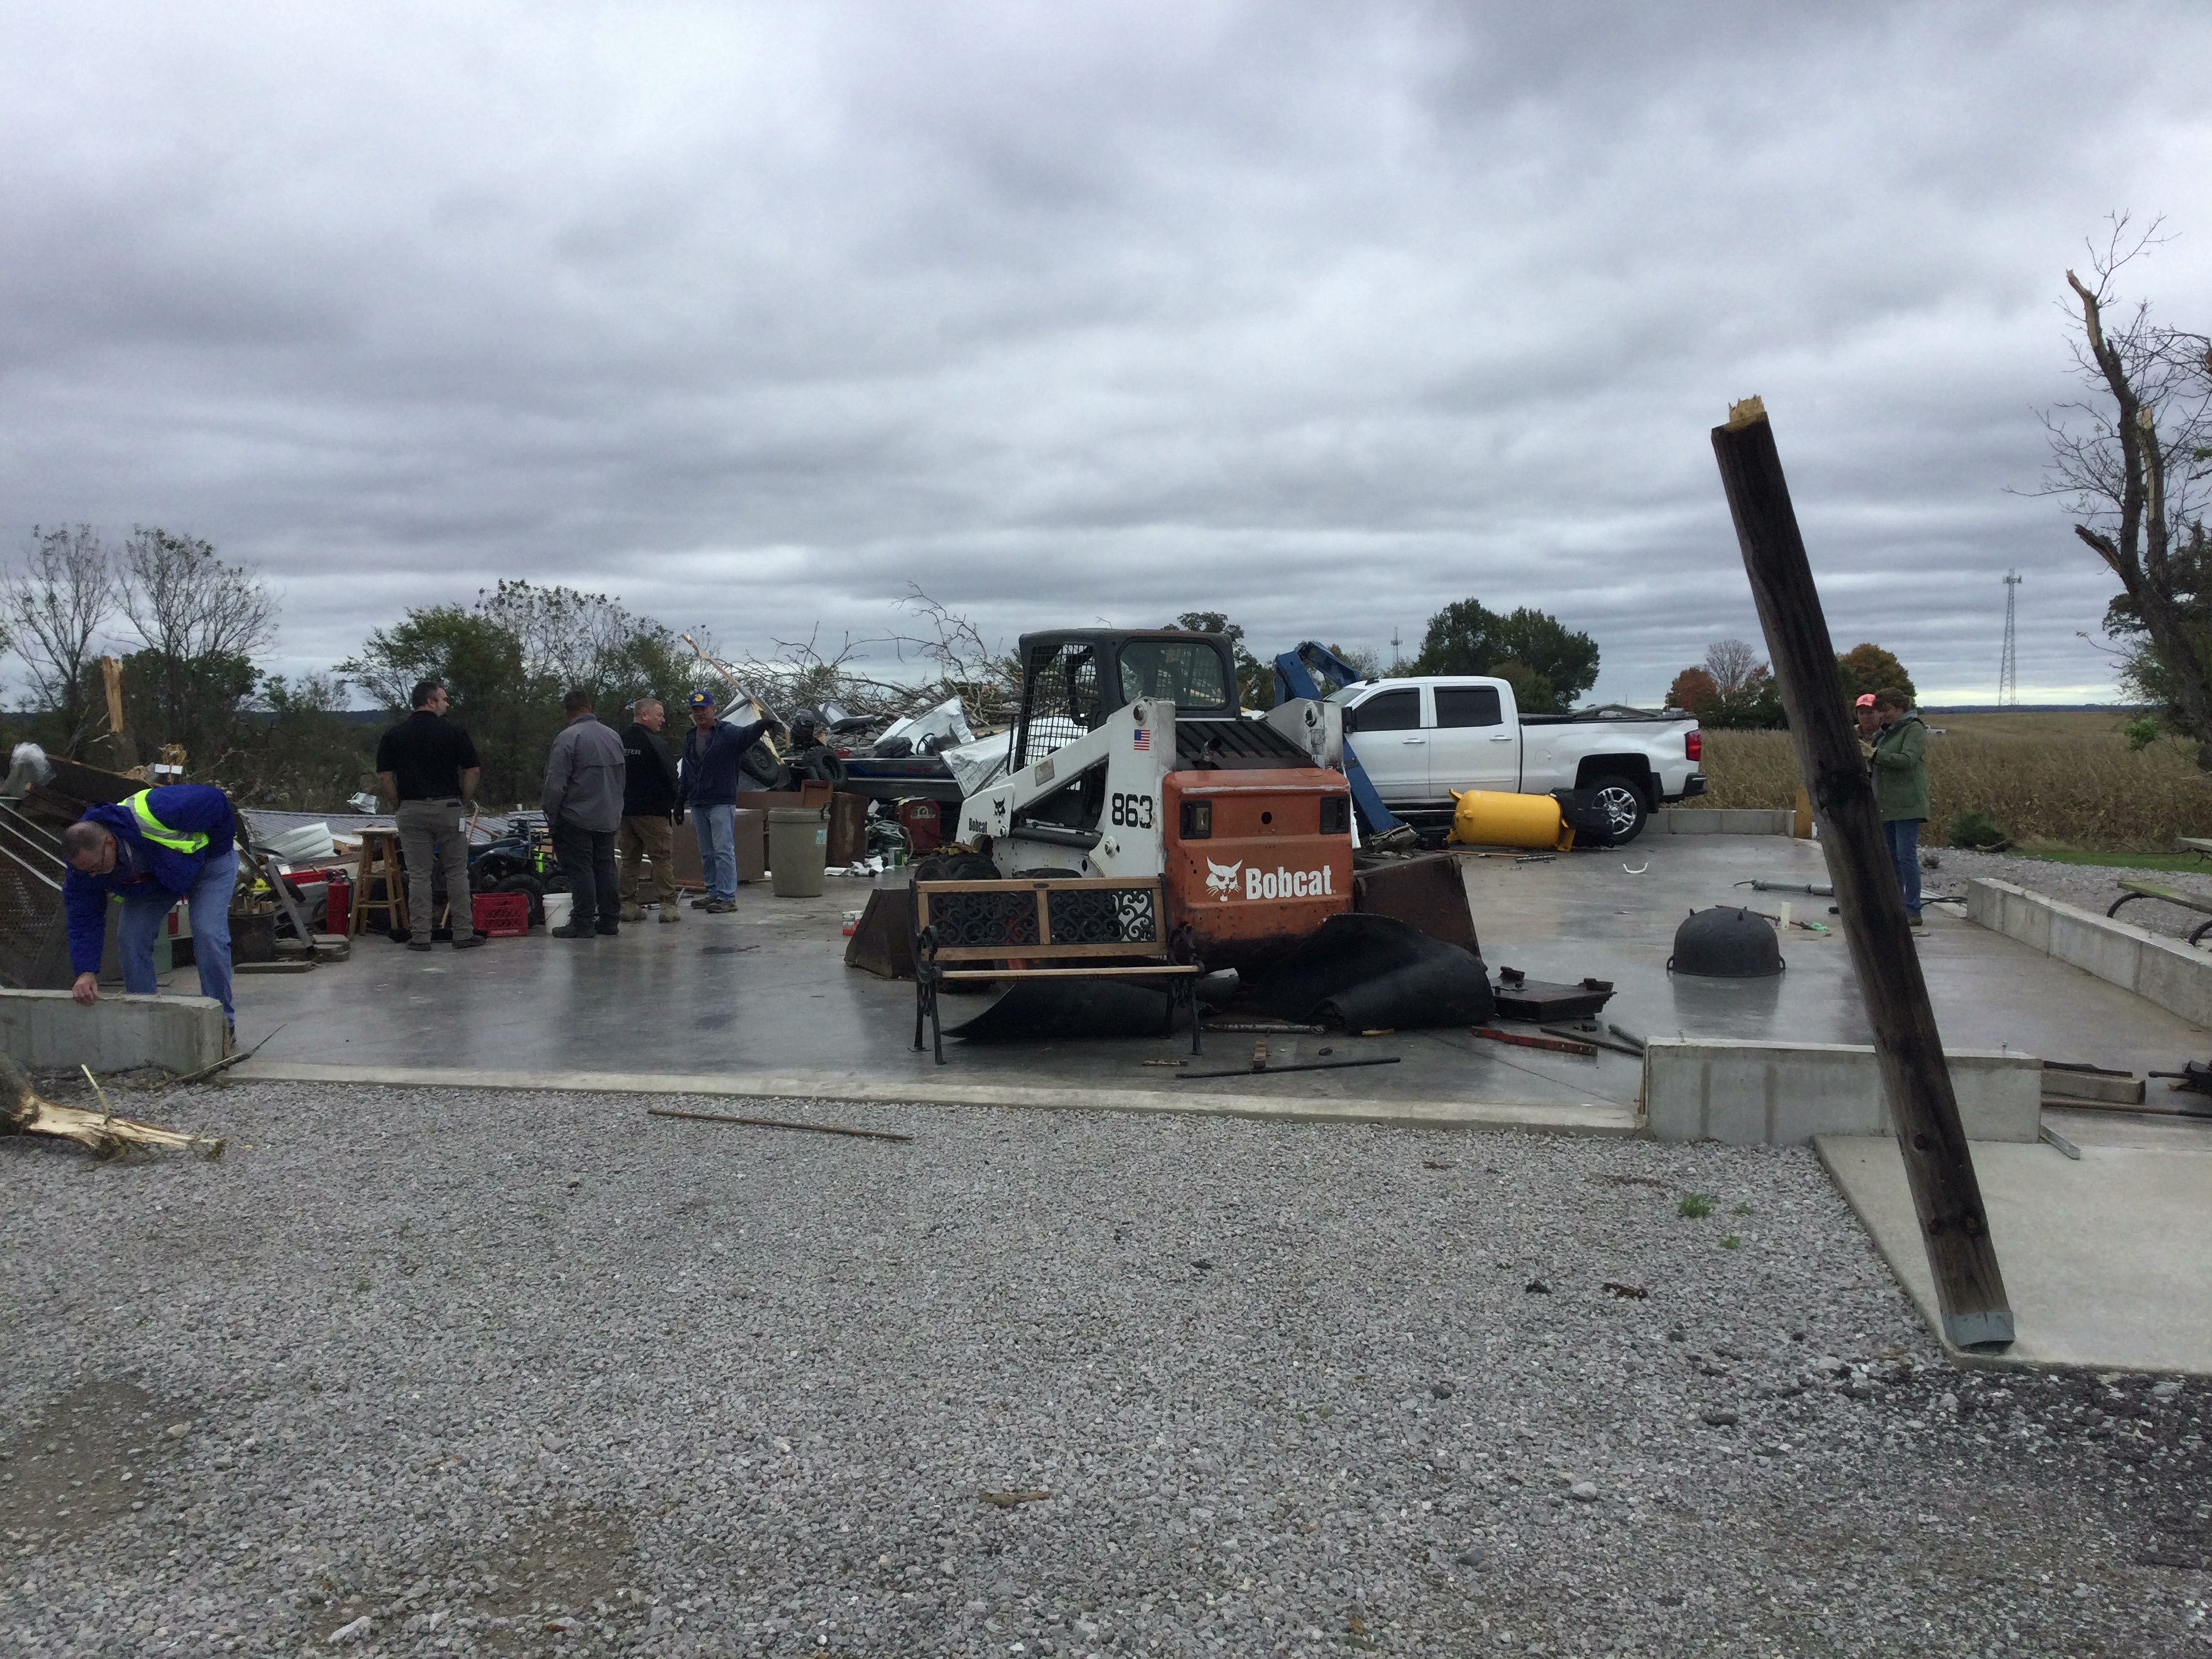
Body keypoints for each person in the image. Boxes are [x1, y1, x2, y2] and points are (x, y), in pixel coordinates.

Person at [62, 783, 241, 1039]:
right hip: (157, 879)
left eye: (96, 866)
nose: (92, 874)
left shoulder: (160, 808)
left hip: (209, 863)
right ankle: (145, 1022)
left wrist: (207, 853)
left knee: (208, 934)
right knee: (130, 938)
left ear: (110, 843)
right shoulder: (84, 869)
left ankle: (221, 1022)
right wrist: (85, 971)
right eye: (86, 870)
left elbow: (217, 800)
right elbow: (83, 919)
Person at [375, 679, 485, 951]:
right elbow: (473, 770)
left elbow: (385, 776)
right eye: (444, 699)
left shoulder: (394, 735)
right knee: (457, 872)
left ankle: (421, 936)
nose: (447, 704)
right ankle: (462, 933)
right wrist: (463, 800)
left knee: (419, 875)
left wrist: (397, 803)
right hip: (449, 809)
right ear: (431, 701)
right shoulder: (455, 732)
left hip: (411, 810)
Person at [679, 689, 783, 913]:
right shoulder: (690, 737)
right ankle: (714, 893)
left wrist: (762, 724)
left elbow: (747, 734)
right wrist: (680, 800)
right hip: (698, 802)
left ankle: (727, 897)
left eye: (704, 709)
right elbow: (687, 771)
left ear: (713, 709)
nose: (700, 714)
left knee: (723, 849)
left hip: (720, 802)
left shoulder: (727, 733)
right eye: (696, 710)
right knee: (707, 851)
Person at [542, 687, 628, 938]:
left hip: (576, 817)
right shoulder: (613, 736)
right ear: (589, 708)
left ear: (568, 712)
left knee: (581, 869)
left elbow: (555, 782)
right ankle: (610, 919)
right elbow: (621, 778)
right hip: (608, 814)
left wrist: (551, 813)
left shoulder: (569, 738)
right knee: (606, 867)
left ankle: (583, 921)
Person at [618, 697, 683, 924]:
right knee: (661, 858)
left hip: (625, 811)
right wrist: (677, 802)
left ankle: (627, 905)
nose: (663, 720)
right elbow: (671, 776)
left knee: (629, 859)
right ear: (644, 715)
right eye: (660, 715)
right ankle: (668, 906)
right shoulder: (655, 742)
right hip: (654, 811)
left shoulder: (619, 740)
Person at [1869, 687, 1930, 927]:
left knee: (1906, 857)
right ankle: (1896, 906)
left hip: (1908, 804)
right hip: (1887, 805)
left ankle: (1913, 909)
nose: (1882, 716)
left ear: (1900, 708)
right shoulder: (1887, 733)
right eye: (1880, 711)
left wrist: (1875, 755)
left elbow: (1907, 760)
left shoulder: (1913, 728)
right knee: (1892, 858)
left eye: (1886, 710)